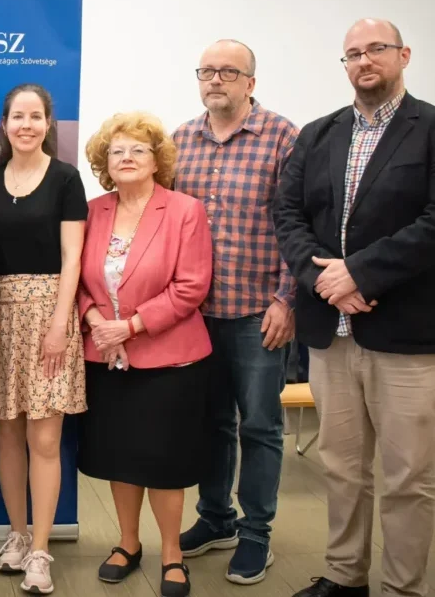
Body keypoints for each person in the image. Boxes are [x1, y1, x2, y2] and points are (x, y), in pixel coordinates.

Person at [274, 19, 435, 597]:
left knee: (408, 476)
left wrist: (360, 273)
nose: (363, 61)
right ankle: (345, 576)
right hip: (332, 330)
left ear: (403, 55)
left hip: (407, 333)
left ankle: (401, 588)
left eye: (376, 50)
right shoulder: (317, 134)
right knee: (341, 468)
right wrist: (326, 281)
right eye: (352, 54)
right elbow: (287, 214)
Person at [171, 39, 301, 584]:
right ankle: (216, 518)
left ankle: (256, 534)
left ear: (251, 82)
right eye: (207, 71)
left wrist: (287, 299)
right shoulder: (180, 140)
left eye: (228, 71)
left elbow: (299, 224)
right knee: (211, 423)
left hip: (258, 312)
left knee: (261, 427)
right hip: (196, 314)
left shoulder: (284, 137)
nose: (215, 80)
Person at [76, 112, 214, 597]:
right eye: (117, 151)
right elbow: (74, 279)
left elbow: (191, 286)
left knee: (164, 462)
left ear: (157, 161)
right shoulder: (92, 211)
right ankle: (128, 543)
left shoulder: (184, 210)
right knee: (121, 457)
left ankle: (172, 554)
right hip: (106, 357)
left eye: (138, 150)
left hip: (169, 360)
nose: (127, 157)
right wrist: (95, 320)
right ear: (105, 163)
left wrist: (130, 326)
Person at [0, 83, 87, 595]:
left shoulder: (65, 178)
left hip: (49, 315)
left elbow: (72, 257)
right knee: (6, 434)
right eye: (17, 116)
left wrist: (60, 323)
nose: (26, 125)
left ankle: (41, 550)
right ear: (5, 123)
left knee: (44, 438)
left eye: (35, 116)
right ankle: (17, 535)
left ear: (47, 123)